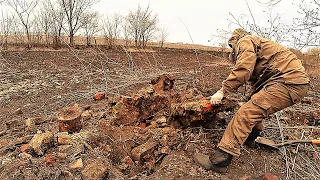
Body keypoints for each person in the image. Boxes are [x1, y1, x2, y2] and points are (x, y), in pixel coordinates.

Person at [195, 28, 310, 171]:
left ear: (234, 41)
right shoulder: (259, 45)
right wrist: (248, 98)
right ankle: (250, 139)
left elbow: (244, 68)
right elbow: (260, 79)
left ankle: (220, 161)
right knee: (252, 107)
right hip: (288, 82)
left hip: (287, 83)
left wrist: (222, 91)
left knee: (246, 113)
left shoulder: (245, 41)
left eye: (232, 48)